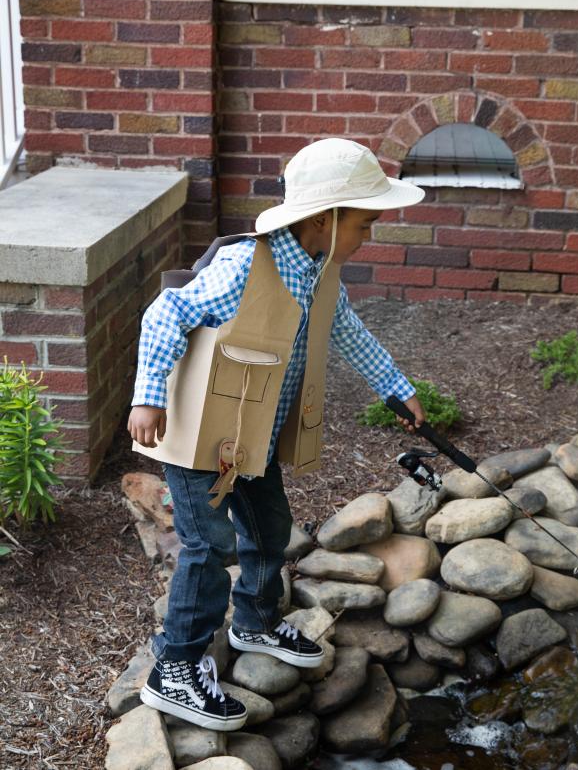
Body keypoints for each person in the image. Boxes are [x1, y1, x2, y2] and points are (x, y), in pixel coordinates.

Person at [128, 137, 426, 731]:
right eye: (365, 223)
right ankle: (175, 669)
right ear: (326, 218)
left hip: (251, 435)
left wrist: (395, 386)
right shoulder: (246, 266)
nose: (370, 235)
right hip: (199, 439)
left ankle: (255, 621)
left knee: (269, 530)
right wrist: (148, 394)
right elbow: (166, 313)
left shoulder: (322, 274)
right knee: (208, 547)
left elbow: (349, 334)